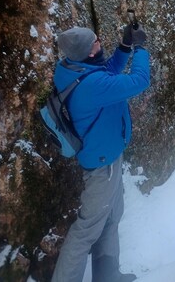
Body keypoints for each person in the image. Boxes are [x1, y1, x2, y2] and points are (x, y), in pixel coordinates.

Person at [51, 21, 150, 282]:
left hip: (108, 158)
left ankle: (107, 276)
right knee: (86, 230)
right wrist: (140, 48)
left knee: (111, 217)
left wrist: (125, 46)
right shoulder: (91, 86)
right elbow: (139, 81)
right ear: (88, 52)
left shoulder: (72, 69)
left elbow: (107, 72)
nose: (99, 42)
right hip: (101, 168)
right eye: (95, 41)